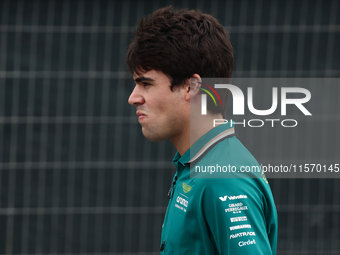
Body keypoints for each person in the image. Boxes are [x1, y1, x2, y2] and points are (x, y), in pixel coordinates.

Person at [126, 6, 278, 255]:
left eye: (146, 84)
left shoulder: (223, 178)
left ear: (191, 87)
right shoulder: (201, 163)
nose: (134, 98)